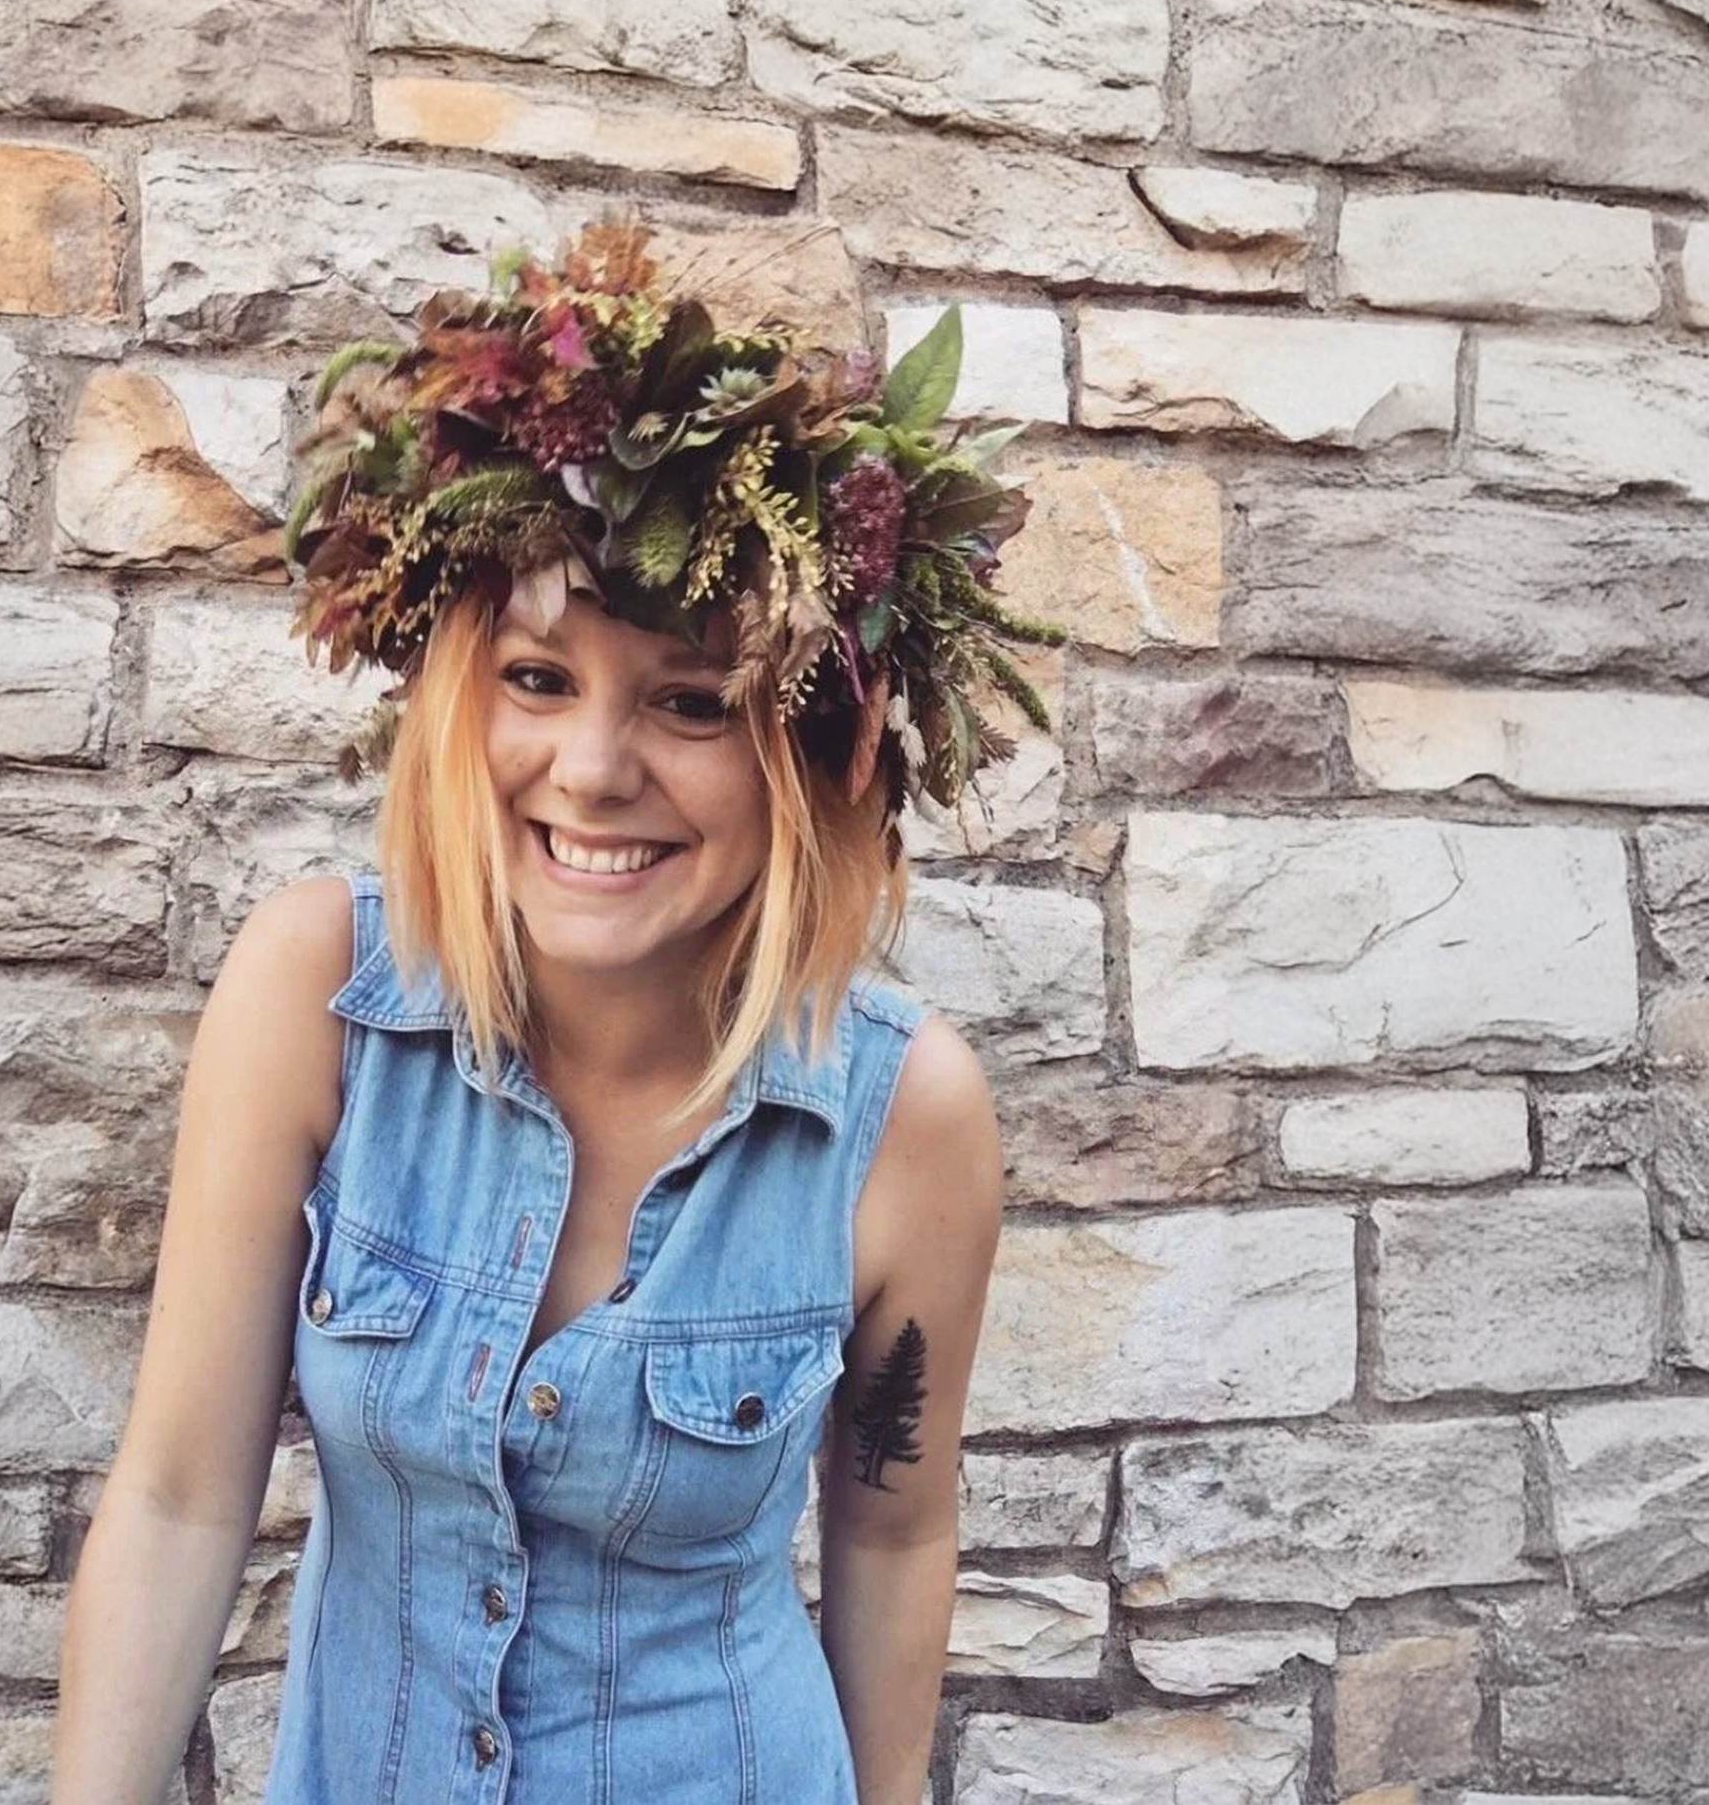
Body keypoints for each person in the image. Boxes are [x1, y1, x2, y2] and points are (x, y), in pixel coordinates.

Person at [51, 215, 1060, 1805]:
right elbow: (181, 1499)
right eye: (537, 682)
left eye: (688, 701)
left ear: (810, 753)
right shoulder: (315, 998)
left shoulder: (903, 1119)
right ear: (461, 694)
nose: (592, 773)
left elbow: (894, 1527)